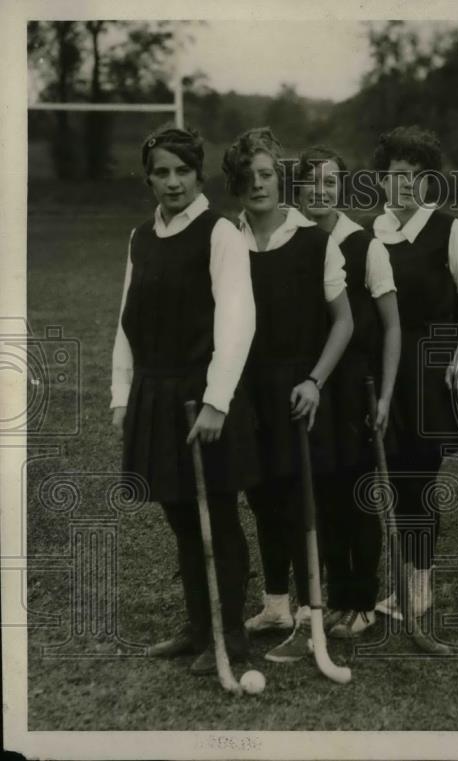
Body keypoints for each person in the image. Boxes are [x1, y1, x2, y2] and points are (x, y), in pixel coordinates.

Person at [111, 124, 257, 675]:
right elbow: (127, 321)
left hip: (202, 395)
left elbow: (237, 320)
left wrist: (218, 400)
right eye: (161, 173)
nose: (172, 182)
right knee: (179, 514)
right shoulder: (139, 238)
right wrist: (122, 394)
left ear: (199, 175)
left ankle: (232, 635)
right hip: (156, 390)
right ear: (148, 178)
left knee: (215, 514)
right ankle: (198, 626)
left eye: (182, 171)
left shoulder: (222, 233)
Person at [222, 128, 354, 661]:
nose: (258, 184)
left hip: (298, 387)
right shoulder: (225, 241)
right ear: (236, 183)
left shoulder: (315, 242)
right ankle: (276, 601)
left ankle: (308, 616)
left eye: (268, 175)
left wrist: (314, 381)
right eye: (248, 176)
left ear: (282, 181)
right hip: (243, 386)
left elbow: (343, 323)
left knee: (301, 501)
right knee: (261, 494)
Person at [370, 126, 458, 619]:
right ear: (383, 179)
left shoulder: (447, 229)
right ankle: (401, 583)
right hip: (385, 365)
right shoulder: (370, 232)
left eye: (415, 177)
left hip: (432, 364)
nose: (405, 186)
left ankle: (420, 585)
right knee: (392, 476)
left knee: (419, 475)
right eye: (396, 176)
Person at [295, 145, 401, 638]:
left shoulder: (365, 245)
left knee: (358, 495)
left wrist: (383, 397)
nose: (321, 191)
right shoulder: (291, 241)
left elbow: (392, 328)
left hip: (356, 386)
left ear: (341, 188)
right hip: (312, 386)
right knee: (324, 494)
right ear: (298, 189)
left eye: (330, 183)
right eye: (311, 183)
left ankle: (362, 600)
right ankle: (336, 597)